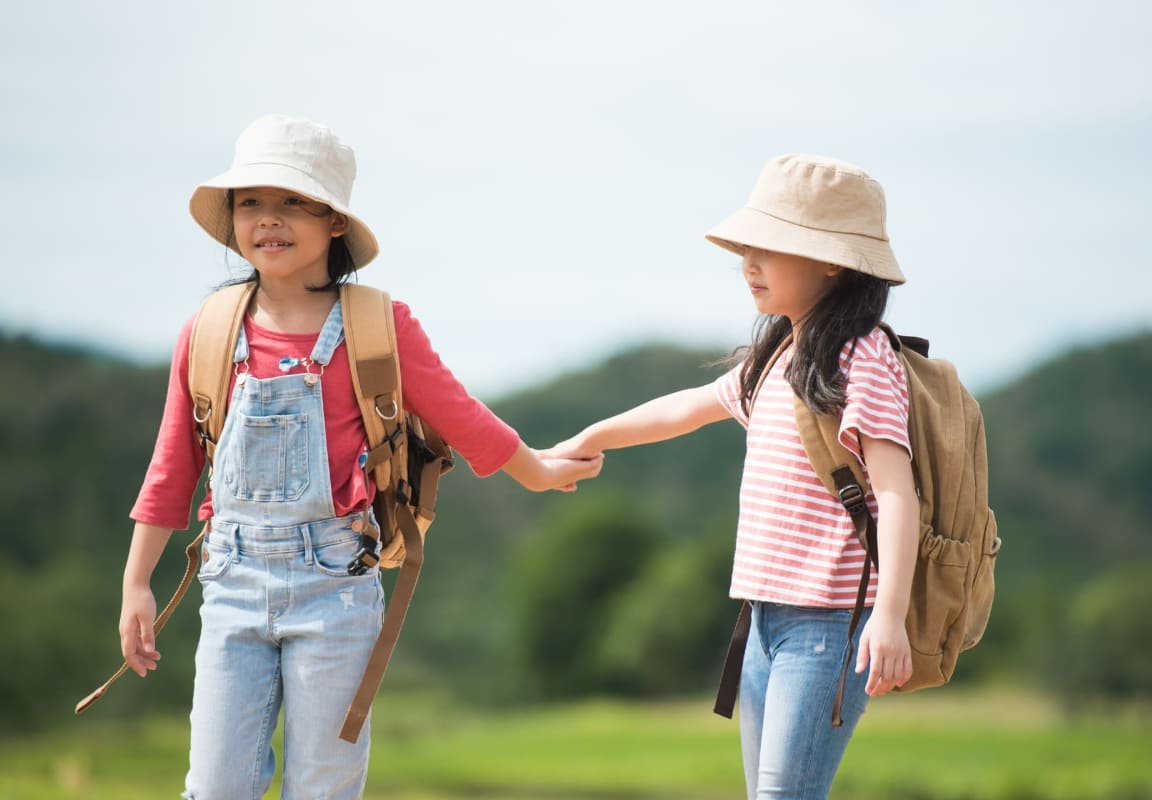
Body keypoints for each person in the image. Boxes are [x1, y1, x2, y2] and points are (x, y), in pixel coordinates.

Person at [118, 114, 602, 799]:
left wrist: (538, 468)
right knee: (217, 783)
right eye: (251, 203)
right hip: (230, 580)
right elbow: (172, 466)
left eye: (293, 202)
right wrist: (137, 582)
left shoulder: (378, 324)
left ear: (335, 222)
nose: (269, 220)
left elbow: (460, 415)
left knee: (324, 783)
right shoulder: (209, 331)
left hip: (335, 584)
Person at [547, 154, 919, 799]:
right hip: (762, 621)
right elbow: (684, 409)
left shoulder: (865, 356)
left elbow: (897, 491)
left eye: (770, 249)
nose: (749, 264)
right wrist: (587, 439)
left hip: (829, 625)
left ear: (832, 261)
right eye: (747, 249)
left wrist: (890, 617)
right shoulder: (776, 353)